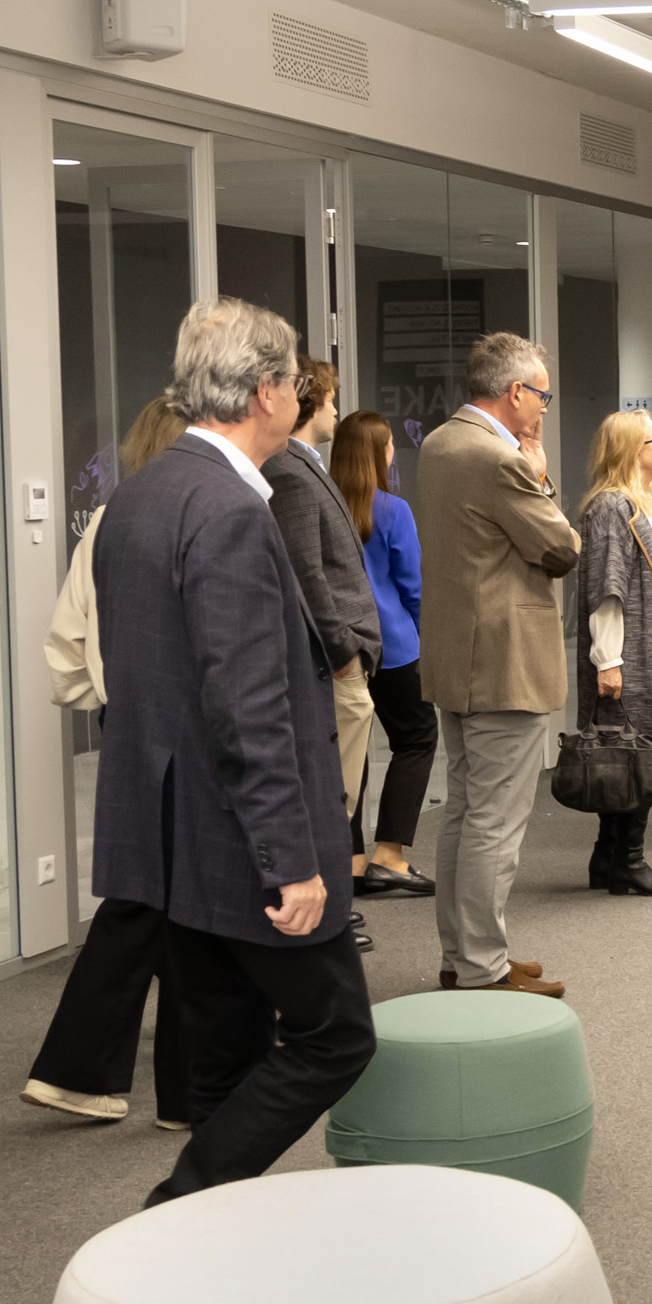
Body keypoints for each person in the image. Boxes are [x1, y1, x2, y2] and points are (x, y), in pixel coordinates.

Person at [91, 299, 373, 1199]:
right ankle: (178, 1205)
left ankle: (213, 1236)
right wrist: (291, 861)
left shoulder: (140, 495)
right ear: (264, 394)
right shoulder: (229, 513)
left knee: (226, 1048)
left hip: (171, 837)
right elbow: (247, 708)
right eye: (294, 382)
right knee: (336, 1036)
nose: (301, 397)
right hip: (239, 840)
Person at [22, 395, 199, 1126]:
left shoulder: (106, 520)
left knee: (158, 899)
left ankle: (122, 1080)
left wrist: (106, 691)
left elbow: (66, 648)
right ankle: (148, 1085)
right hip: (185, 726)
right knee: (166, 899)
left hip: (127, 719)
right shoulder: (201, 516)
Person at [411, 330, 579, 998]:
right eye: (542, 396)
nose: (543, 408)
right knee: (494, 822)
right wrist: (540, 474)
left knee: (464, 812)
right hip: (504, 662)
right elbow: (560, 548)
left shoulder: (439, 443)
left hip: (457, 655)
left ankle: (464, 955)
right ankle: (482, 969)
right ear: (514, 392)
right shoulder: (499, 458)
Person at [266, 357, 392, 953]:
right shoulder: (287, 470)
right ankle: (325, 914)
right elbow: (307, 572)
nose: (337, 411)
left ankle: (335, 907)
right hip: (337, 659)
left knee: (342, 792)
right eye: (332, 399)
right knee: (331, 797)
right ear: (308, 402)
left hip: (347, 654)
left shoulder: (304, 464)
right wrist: (343, 650)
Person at [575, 410, 652, 898]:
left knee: (630, 754)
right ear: (629, 450)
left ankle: (608, 857)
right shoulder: (612, 506)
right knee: (638, 756)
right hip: (632, 652)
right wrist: (609, 660)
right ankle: (629, 861)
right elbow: (608, 588)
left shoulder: (643, 502)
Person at [331, 410, 434, 900]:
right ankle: (389, 855)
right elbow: (413, 588)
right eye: (390, 444)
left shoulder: (326, 505)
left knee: (352, 751)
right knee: (417, 738)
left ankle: (352, 863)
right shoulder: (393, 509)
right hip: (394, 646)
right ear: (378, 453)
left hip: (341, 648)